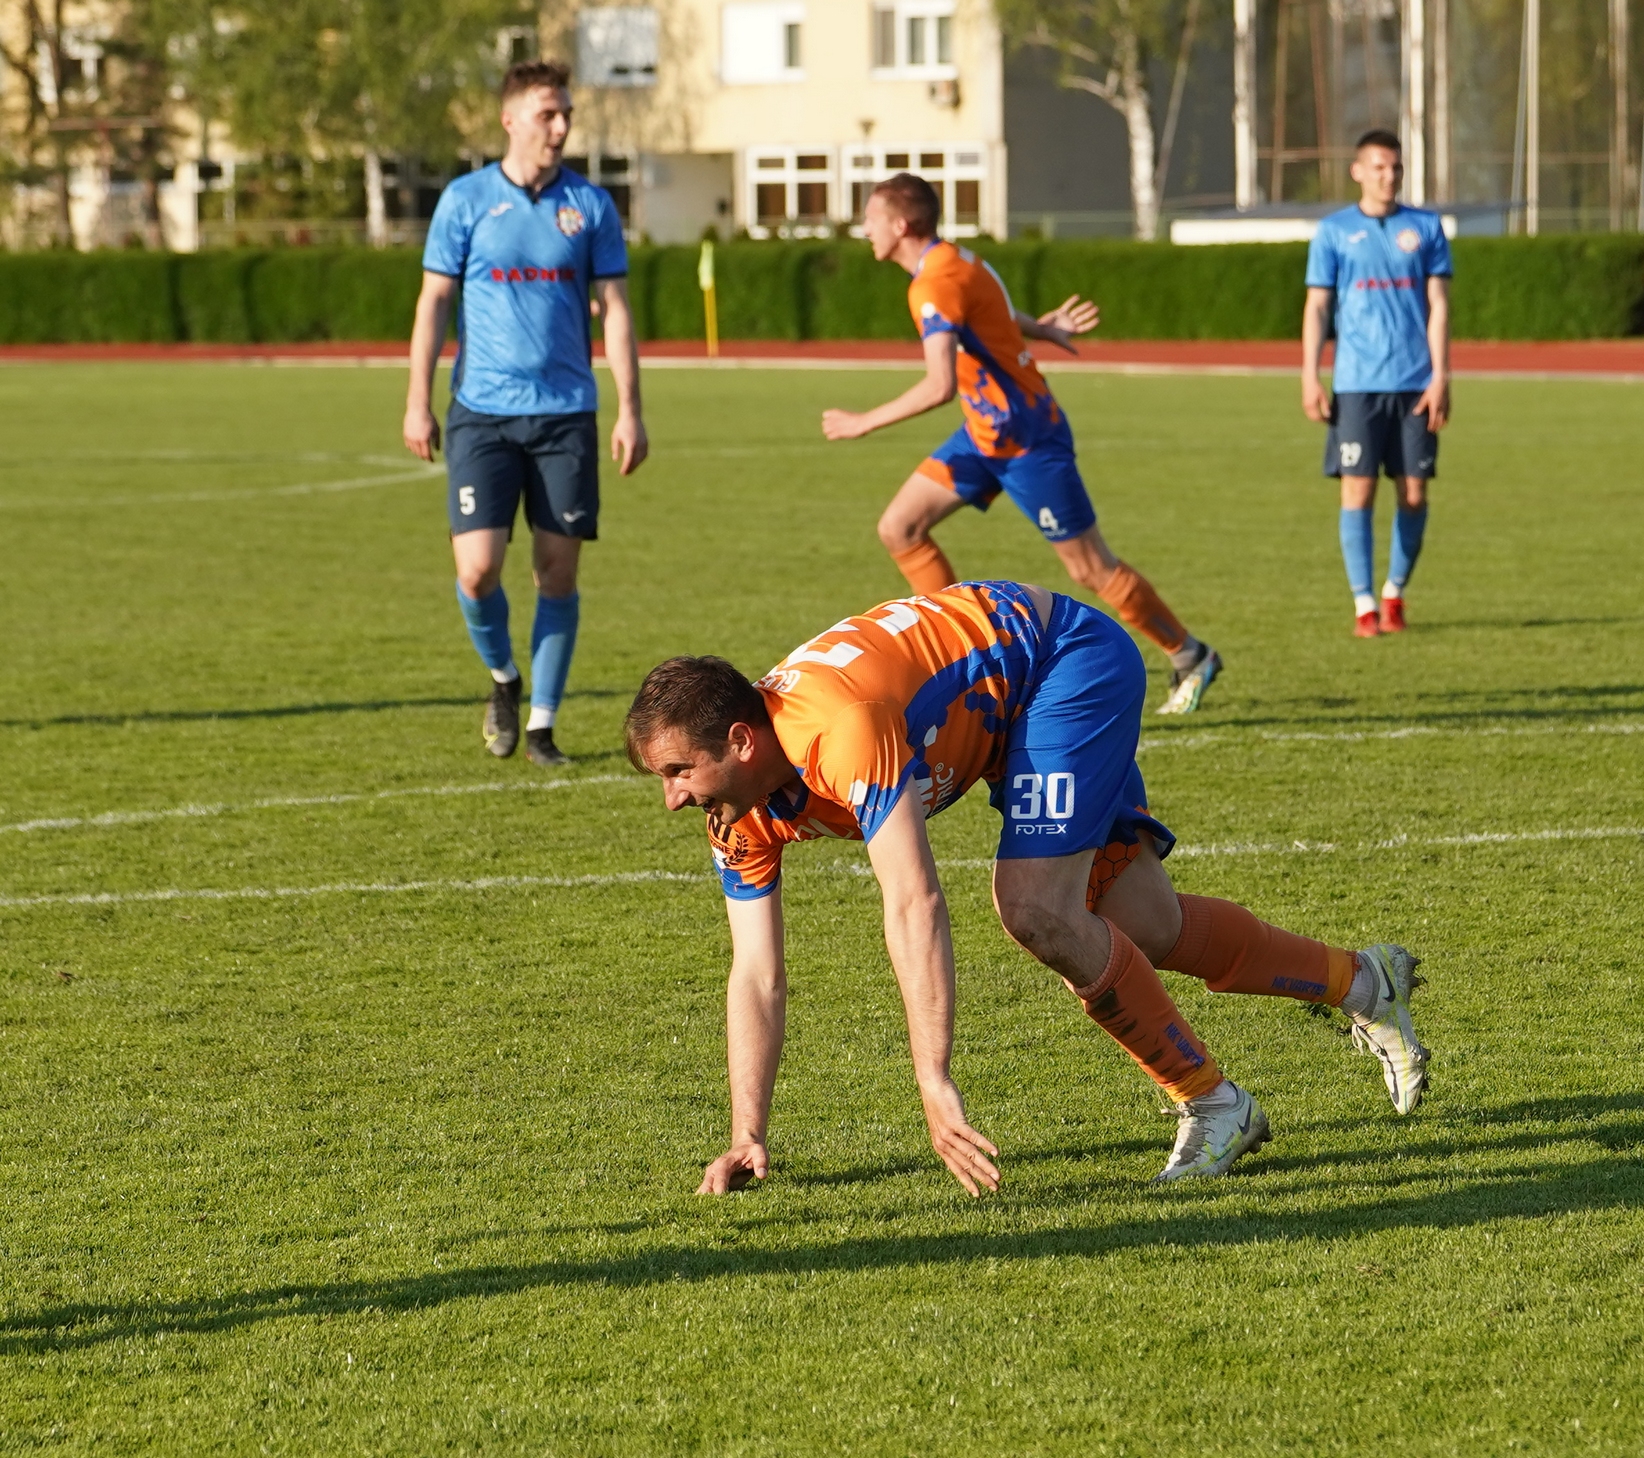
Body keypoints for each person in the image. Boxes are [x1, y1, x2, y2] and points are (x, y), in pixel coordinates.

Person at [623, 581, 1432, 1196]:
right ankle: (1364, 981)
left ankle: (1214, 1103)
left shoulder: (838, 732)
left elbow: (913, 900)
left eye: (678, 772)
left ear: (740, 740)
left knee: (1037, 909)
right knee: (1148, 925)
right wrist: (747, 1131)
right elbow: (755, 972)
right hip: (1003, 706)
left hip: (1061, 662)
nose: (672, 798)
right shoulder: (739, 809)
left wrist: (933, 1077)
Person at [821, 174, 1224, 716]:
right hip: (984, 433)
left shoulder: (933, 283)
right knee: (900, 527)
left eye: (871, 218)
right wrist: (1042, 328)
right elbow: (991, 312)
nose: (864, 228)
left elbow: (940, 385)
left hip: (1028, 438)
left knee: (1090, 568)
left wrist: (863, 422)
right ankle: (961, 659)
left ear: (901, 224)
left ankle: (1190, 654)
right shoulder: (956, 260)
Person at [403, 60, 649, 768]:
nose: (561, 126)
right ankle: (504, 677)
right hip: (481, 411)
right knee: (478, 571)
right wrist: (417, 401)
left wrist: (630, 410)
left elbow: (616, 311)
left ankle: (542, 726)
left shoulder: (590, 206)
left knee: (555, 573)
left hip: (566, 415)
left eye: (566, 113)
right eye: (548, 113)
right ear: (509, 120)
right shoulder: (465, 200)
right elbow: (434, 303)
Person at [1301, 130, 1453, 638]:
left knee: (1413, 493)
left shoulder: (1426, 227)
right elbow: (1317, 306)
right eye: (1380, 167)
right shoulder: (1333, 232)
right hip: (1356, 384)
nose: (1390, 176)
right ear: (1358, 171)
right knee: (1358, 490)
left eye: (1396, 167)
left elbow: (1439, 306)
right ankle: (1364, 604)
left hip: (1416, 382)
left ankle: (1395, 593)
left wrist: (1441, 375)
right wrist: (1310, 374)